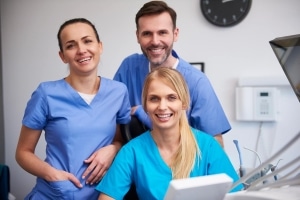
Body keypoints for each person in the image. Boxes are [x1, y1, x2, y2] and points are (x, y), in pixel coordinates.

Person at [15, 18, 131, 199]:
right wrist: (51, 174)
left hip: (101, 195)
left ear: (100, 46)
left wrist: (113, 149)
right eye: (71, 45)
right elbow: (23, 152)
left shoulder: (118, 92)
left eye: (87, 41)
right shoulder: (46, 94)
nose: (81, 50)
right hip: (55, 194)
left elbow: (120, 140)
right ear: (62, 56)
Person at [96, 67, 243, 200]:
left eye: (171, 98)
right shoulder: (132, 151)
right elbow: (107, 197)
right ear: (145, 105)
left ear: (184, 103)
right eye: (154, 99)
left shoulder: (208, 147)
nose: (162, 106)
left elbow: (235, 195)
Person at [114, 1, 230, 147]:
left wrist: (141, 113)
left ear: (175, 34)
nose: (155, 41)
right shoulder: (129, 68)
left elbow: (216, 145)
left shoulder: (196, 81)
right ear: (138, 36)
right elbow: (111, 120)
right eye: (147, 34)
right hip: (135, 163)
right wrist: (113, 147)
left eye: (162, 32)